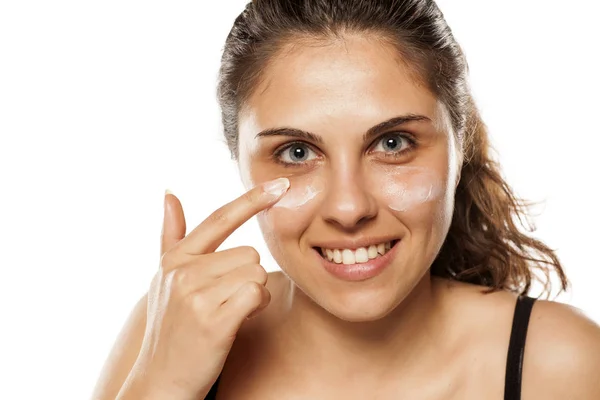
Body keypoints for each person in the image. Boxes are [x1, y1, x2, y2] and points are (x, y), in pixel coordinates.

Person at [91, 0, 600, 399]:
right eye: (296, 151)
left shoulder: (558, 363)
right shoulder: (170, 331)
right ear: (238, 159)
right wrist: (160, 389)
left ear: (460, 141)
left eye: (393, 143)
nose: (349, 207)